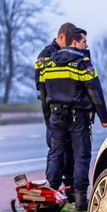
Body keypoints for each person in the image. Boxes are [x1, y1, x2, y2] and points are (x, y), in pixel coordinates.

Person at [40, 27, 107, 211]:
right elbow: (94, 91)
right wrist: (103, 117)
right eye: (84, 41)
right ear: (75, 42)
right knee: (81, 155)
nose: (86, 45)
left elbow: (44, 92)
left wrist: (48, 118)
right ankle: (80, 199)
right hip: (77, 117)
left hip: (56, 116)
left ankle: (51, 197)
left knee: (56, 154)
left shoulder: (49, 63)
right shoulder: (82, 63)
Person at [35, 23, 77, 199]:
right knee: (56, 151)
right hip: (53, 111)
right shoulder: (46, 55)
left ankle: (68, 192)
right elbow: (41, 85)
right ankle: (52, 190)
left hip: (67, 112)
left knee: (69, 151)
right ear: (61, 37)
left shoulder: (69, 54)